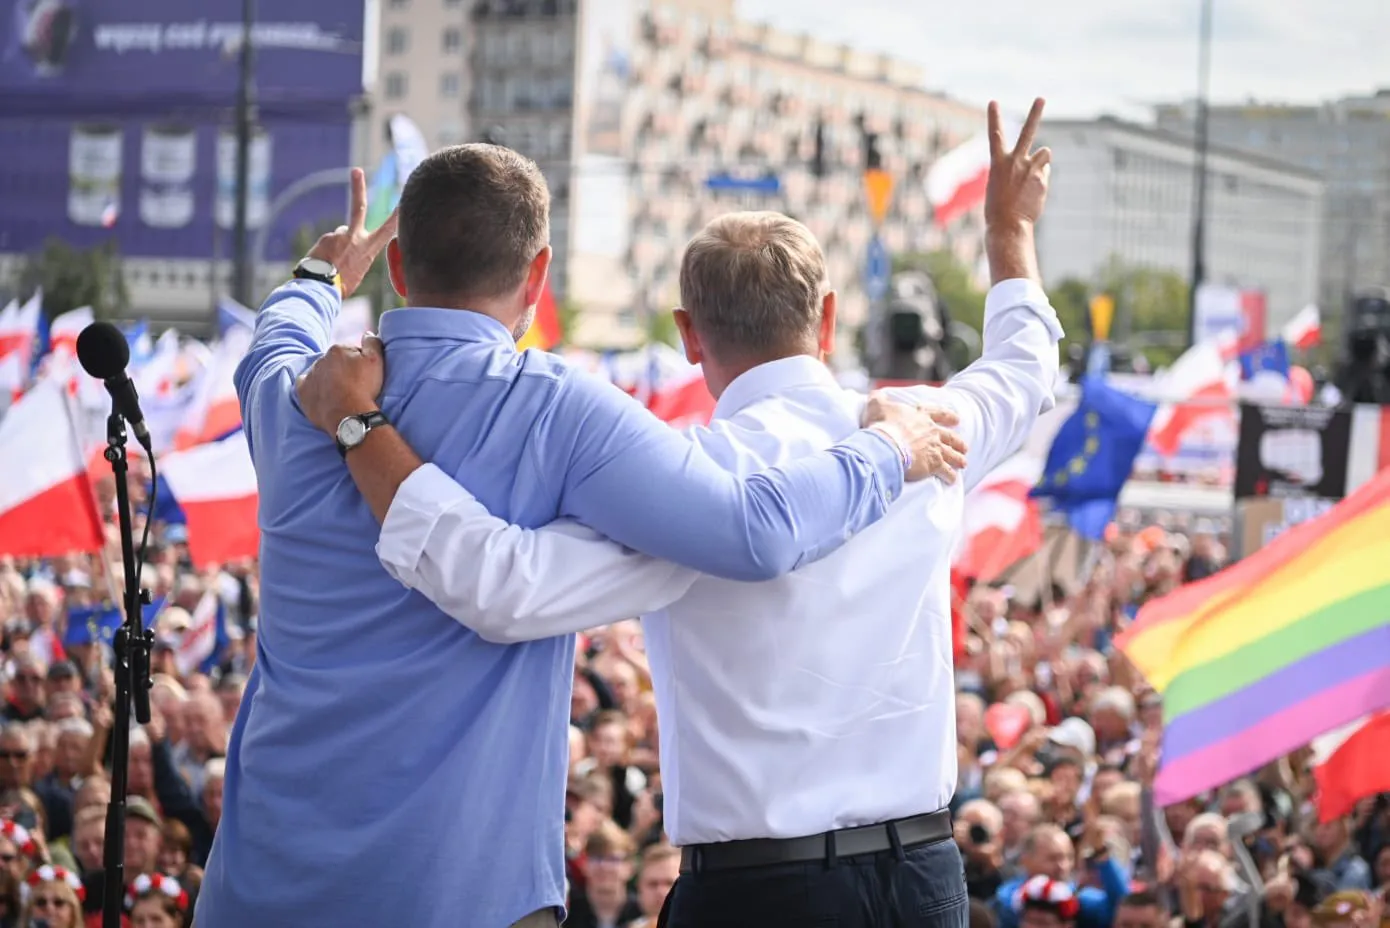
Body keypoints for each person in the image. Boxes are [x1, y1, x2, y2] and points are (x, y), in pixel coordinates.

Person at [293, 97, 1062, 927]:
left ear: (689, 335)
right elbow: (1025, 368)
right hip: (923, 882)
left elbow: (502, 588)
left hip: (760, 893)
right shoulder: (926, 429)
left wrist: (361, 429)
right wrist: (1007, 236)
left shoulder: (687, 479)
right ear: (828, 320)